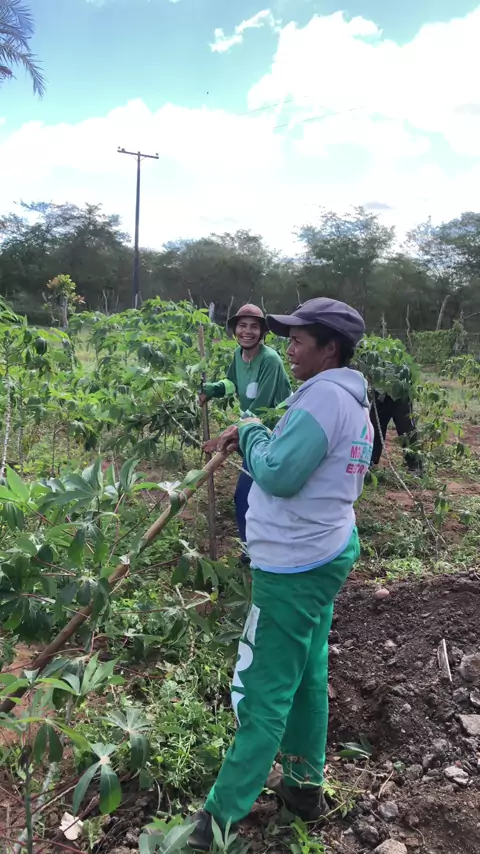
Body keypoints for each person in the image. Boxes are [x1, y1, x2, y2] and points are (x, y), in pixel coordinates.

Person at [189, 297, 373, 851]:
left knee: (261, 688)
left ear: (329, 349)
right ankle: (302, 787)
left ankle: (217, 821)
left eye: (298, 340)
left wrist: (249, 432)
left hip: (294, 566)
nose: (288, 347)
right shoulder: (348, 397)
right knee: (308, 673)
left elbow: (278, 473)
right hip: (326, 548)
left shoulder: (324, 398)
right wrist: (250, 432)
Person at [199, 304, 291, 556]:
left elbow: (262, 408)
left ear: (262, 332)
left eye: (253, 327)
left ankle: (253, 552)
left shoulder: (270, 360)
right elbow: (232, 383)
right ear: (234, 330)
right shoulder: (238, 355)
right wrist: (212, 390)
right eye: (242, 326)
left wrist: (224, 436)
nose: (247, 331)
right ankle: (255, 548)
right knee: (257, 495)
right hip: (252, 432)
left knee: (245, 496)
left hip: (272, 435)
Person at [370, 388, 422, 475]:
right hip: (380, 392)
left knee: (406, 429)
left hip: (400, 391)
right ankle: (370, 462)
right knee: (374, 427)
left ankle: (415, 466)